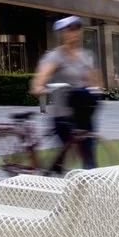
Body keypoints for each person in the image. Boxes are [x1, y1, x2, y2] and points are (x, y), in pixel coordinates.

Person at [30, 16, 102, 174]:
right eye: (69, 31)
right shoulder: (55, 56)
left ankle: (84, 177)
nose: (73, 34)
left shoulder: (86, 56)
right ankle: (55, 171)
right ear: (62, 33)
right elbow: (39, 80)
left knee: (88, 152)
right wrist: (40, 88)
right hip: (62, 114)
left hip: (83, 111)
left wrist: (95, 87)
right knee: (71, 149)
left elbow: (94, 81)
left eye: (76, 30)